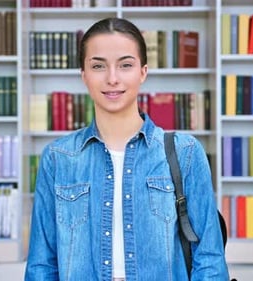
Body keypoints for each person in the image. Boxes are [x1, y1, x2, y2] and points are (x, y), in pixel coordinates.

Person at [25, 17, 229, 281]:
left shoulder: (186, 152)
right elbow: (42, 265)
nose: (112, 78)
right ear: (83, 75)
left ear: (143, 71)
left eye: (125, 65)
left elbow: (210, 259)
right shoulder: (58, 158)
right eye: (98, 66)